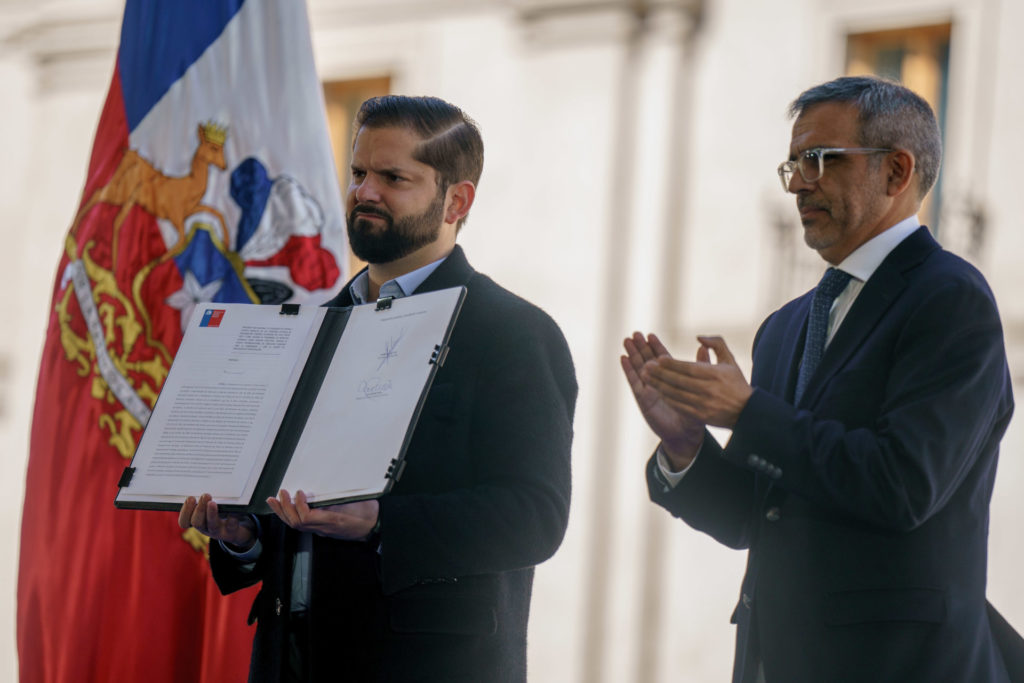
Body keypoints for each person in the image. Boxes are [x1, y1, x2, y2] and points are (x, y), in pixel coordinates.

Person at [621, 76, 1016, 682]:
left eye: (821, 159)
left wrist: (748, 412)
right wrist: (686, 447)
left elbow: (904, 485)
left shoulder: (951, 298)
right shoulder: (784, 326)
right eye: (793, 165)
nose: (799, 184)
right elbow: (755, 518)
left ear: (896, 171)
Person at [179, 95, 577, 682]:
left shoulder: (513, 333)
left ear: (457, 200)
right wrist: (246, 535)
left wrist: (381, 520)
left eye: (393, 178)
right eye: (359, 172)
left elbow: (535, 517)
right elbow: (290, 500)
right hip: (291, 663)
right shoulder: (307, 328)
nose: (365, 192)